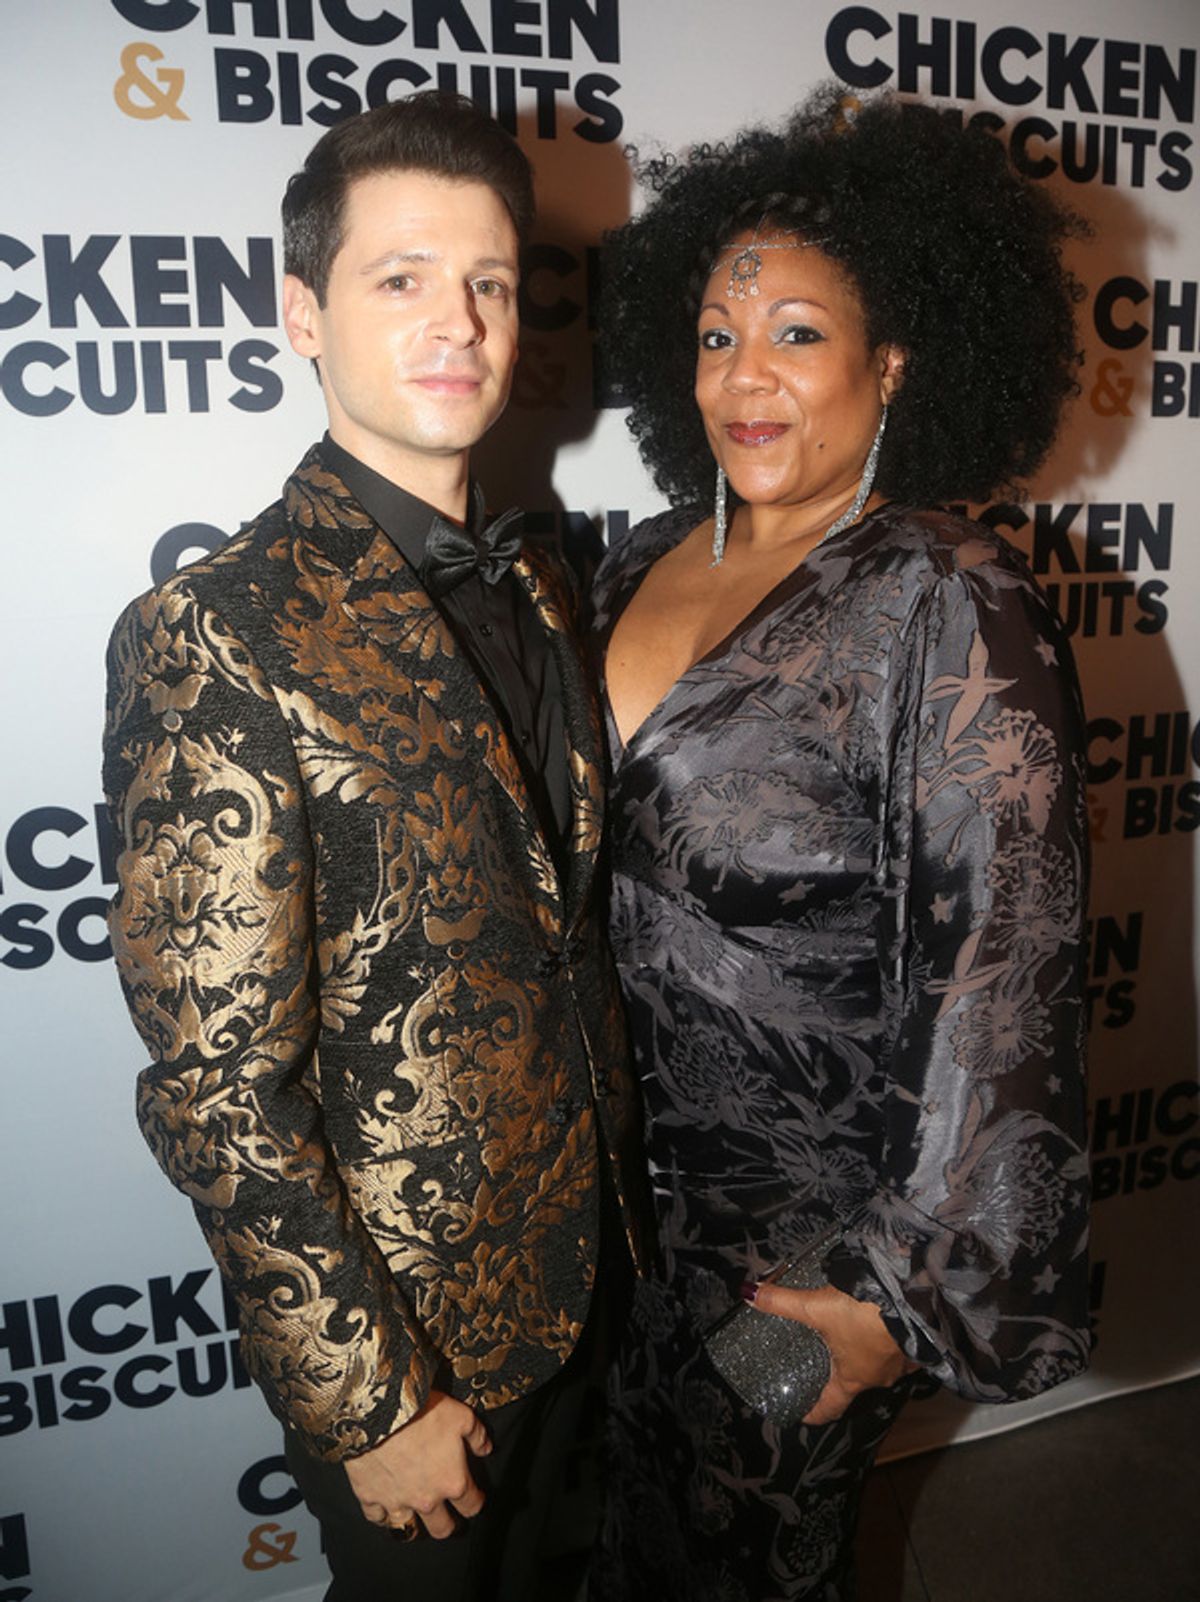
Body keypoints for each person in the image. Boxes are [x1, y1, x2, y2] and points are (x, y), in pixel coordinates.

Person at [102, 90, 647, 1602]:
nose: (457, 319)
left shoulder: (543, 575)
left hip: (591, 1270)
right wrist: (370, 1399)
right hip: (414, 1349)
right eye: (397, 278)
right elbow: (214, 1090)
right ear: (301, 313)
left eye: (486, 279)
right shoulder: (213, 634)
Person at [591, 88, 1092, 1601]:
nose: (745, 377)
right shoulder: (630, 558)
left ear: (893, 364)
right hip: (617, 1217)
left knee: (749, 1562)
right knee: (631, 1550)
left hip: (799, 1254)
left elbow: (1003, 970)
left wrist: (890, 1295)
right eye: (715, 333)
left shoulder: (946, 601)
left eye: (797, 334)